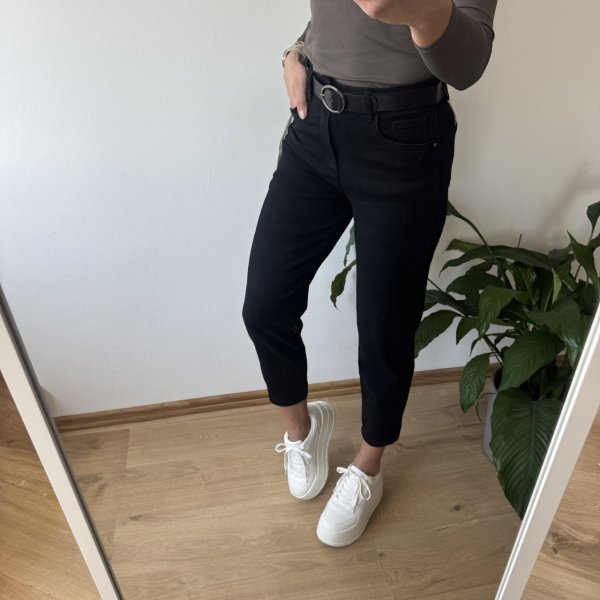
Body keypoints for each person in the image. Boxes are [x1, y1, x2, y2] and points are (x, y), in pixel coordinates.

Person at [242, 0, 497, 547]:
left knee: (385, 325)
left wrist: (419, 10)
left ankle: (368, 464)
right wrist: (297, 49)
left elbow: (468, 63)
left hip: (406, 137)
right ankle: (302, 427)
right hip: (315, 127)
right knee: (265, 303)